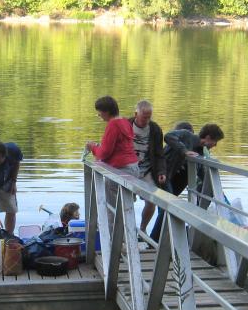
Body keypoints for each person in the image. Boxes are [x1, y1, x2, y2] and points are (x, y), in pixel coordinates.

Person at [150, 123, 225, 241]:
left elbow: (201, 173)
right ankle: (154, 240)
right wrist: (184, 151)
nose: (215, 145)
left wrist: (215, 188)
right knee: (168, 206)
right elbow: (168, 136)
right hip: (164, 174)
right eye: (215, 141)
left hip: (176, 182)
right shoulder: (187, 135)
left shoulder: (201, 151)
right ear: (208, 137)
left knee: (165, 208)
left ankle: (162, 239)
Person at [129, 100, 166, 232]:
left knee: (151, 201)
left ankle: (143, 229)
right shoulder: (126, 125)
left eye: (149, 117)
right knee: (127, 201)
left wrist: (161, 172)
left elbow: (159, 154)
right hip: (128, 169)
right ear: (136, 114)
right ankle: (128, 230)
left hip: (147, 170)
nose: (146, 120)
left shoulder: (155, 129)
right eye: (144, 117)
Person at [85, 95, 139, 176]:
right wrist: (98, 146)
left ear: (106, 112)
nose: (98, 115)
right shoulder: (125, 121)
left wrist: (93, 147)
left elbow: (104, 153)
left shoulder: (113, 124)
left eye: (99, 111)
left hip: (122, 170)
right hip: (133, 167)